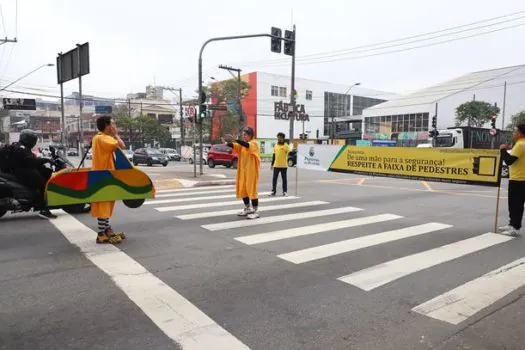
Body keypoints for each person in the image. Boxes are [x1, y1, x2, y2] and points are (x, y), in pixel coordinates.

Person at [3, 129, 56, 219]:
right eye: (33, 139)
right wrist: (46, 160)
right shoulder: (22, 148)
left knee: (41, 174)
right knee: (42, 184)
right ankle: (43, 209)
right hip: (23, 172)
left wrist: (43, 160)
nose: (34, 141)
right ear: (29, 139)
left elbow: (30, 159)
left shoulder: (19, 146)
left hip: (20, 171)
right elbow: (31, 161)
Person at [90, 116, 126, 244]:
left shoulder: (99, 138)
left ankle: (106, 230)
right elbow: (122, 145)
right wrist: (116, 134)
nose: (115, 126)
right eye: (113, 124)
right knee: (104, 205)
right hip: (103, 176)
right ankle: (101, 234)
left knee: (107, 205)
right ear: (107, 125)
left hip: (105, 175)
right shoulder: (102, 138)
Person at [225, 127, 261, 219]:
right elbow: (236, 146)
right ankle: (247, 208)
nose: (244, 136)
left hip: (251, 172)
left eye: (245, 135)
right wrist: (228, 143)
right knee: (243, 189)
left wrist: (236, 139)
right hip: (243, 171)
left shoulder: (254, 143)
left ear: (250, 135)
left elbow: (246, 145)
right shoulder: (243, 146)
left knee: (251, 190)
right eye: (243, 135)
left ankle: (256, 211)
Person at [498, 123, 525, 236]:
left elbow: (509, 161)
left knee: (516, 204)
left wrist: (503, 150)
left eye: (515, 131)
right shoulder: (520, 144)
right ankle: (512, 224)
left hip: (519, 179)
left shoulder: (521, 144)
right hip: (518, 178)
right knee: (514, 204)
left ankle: (515, 228)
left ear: (520, 133)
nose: (513, 133)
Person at [271, 132, 290, 196]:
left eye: (280, 138)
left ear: (283, 138)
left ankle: (285, 191)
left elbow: (290, 153)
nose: (279, 139)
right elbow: (274, 155)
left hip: (284, 166)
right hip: (276, 165)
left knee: (284, 179)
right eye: (278, 138)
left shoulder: (286, 146)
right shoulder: (275, 145)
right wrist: (272, 164)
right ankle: (273, 191)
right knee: (274, 179)